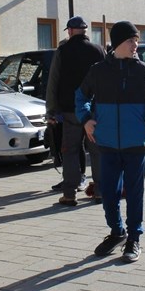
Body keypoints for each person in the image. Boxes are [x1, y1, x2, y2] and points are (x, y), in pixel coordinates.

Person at [76, 21, 145, 263]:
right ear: (118, 43)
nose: (135, 45)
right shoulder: (98, 71)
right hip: (106, 144)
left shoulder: (142, 71)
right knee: (108, 192)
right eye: (131, 40)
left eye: (136, 40)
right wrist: (85, 119)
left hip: (135, 144)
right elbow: (81, 96)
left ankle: (133, 238)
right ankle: (117, 232)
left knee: (134, 194)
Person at [45, 16, 105, 206]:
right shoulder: (98, 50)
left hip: (70, 110)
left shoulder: (63, 51)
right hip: (95, 110)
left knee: (70, 151)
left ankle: (69, 194)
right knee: (97, 151)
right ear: (86, 31)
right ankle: (100, 192)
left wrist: (51, 110)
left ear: (70, 31)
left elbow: (53, 81)